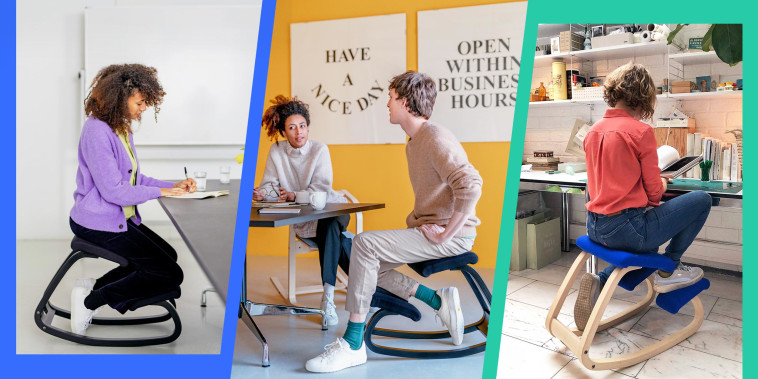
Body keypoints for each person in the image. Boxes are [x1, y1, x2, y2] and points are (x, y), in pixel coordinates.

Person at [305, 71, 483, 373]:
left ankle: (352, 344)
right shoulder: (415, 141)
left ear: (405, 100)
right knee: (357, 256)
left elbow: (471, 184)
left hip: (453, 236)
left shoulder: (434, 138)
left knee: (364, 244)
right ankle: (437, 301)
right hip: (429, 229)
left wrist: (445, 235)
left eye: (391, 97)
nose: (387, 103)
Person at [573, 62, 711, 330]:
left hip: (594, 226)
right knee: (702, 199)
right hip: (628, 230)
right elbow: (653, 195)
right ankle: (670, 268)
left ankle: (601, 279)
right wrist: (661, 178)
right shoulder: (641, 132)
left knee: (647, 241)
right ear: (643, 97)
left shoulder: (592, 132)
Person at [69, 64, 196, 336]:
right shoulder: (96, 132)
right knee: (169, 274)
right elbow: (114, 191)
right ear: (119, 98)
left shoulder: (120, 128)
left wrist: (172, 185)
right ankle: (89, 302)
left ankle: (95, 288)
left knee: (167, 258)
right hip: (96, 221)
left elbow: (134, 179)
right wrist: (162, 192)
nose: (144, 108)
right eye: (140, 102)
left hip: (117, 218)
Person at [253, 95, 351, 326]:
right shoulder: (276, 151)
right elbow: (270, 186)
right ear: (283, 131)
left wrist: (294, 195)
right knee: (339, 240)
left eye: (303, 126)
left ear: (308, 126)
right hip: (306, 219)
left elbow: (321, 189)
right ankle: (371, 289)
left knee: (330, 223)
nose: (299, 132)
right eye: (292, 128)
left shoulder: (320, 150)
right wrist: (263, 194)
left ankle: (327, 298)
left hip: (332, 208)